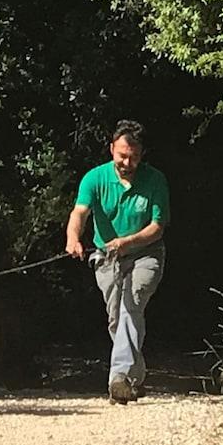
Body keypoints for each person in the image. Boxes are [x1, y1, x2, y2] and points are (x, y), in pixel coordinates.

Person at [65, 119, 170, 404]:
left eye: (133, 157)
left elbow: (157, 227)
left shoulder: (155, 180)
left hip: (146, 254)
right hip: (107, 256)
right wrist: (73, 238)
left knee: (130, 304)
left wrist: (127, 242)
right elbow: (79, 213)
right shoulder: (94, 178)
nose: (127, 162)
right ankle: (134, 377)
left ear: (142, 154)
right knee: (117, 316)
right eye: (122, 155)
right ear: (112, 148)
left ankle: (118, 377)